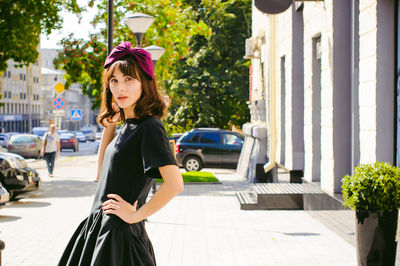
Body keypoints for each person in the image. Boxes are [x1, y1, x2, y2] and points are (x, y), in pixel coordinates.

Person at [59, 41, 184, 266]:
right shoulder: (128, 126)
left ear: (145, 83)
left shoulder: (149, 127)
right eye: (114, 81)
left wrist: (136, 215)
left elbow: (175, 184)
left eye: (129, 80)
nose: (120, 88)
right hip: (100, 230)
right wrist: (111, 121)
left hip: (120, 239)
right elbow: (101, 175)